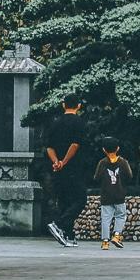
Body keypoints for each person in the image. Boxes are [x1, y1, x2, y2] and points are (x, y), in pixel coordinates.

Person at [43, 96, 91, 246]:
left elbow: (49, 146)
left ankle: (68, 235)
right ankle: (59, 224)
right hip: (73, 167)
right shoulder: (79, 123)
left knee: (64, 200)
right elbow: (75, 145)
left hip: (58, 169)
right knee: (80, 199)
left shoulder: (55, 123)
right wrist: (64, 162)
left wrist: (56, 162)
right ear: (78, 106)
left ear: (63, 105)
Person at [93, 136, 133, 249]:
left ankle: (105, 242)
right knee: (121, 216)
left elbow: (96, 177)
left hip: (106, 195)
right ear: (118, 148)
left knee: (106, 218)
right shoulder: (123, 162)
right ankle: (116, 235)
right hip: (120, 194)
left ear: (104, 150)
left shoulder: (102, 163)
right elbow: (130, 176)